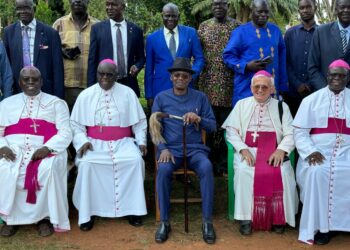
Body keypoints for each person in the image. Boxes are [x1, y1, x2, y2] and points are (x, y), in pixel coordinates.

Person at [70, 59, 147, 231]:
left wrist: (141, 141)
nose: (104, 77)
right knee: (87, 164)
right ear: (97, 73)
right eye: (101, 74)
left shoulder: (128, 93)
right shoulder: (86, 95)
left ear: (117, 76)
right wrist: (82, 141)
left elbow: (140, 123)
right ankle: (88, 212)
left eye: (109, 74)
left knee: (134, 161)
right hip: (94, 144)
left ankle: (133, 210)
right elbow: (76, 125)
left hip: (124, 142)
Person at [222, 70, 298, 235]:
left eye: (265, 87)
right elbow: (231, 131)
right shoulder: (242, 104)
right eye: (257, 86)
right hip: (248, 150)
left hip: (273, 152)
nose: (260, 90)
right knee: (243, 171)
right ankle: (246, 217)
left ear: (272, 89)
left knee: (283, 172)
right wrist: (242, 148)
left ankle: (279, 217)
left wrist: (281, 149)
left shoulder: (281, 106)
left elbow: (291, 133)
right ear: (251, 88)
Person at [0, 66, 72, 237]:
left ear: (41, 81)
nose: (30, 82)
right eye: (26, 79)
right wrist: (2, 146)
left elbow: (65, 132)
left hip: (44, 148)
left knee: (49, 168)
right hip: (13, 150)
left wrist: (47, 148)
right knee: (4, 168)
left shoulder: (57, 103)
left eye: (35, 79)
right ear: (20, 82)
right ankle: (10, 218)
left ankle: (45, 218)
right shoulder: (6, 104)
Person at [152, 57, 216, 244]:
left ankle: (207, 221)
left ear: (190, 78)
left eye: (185, 76)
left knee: (206, 167)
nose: (180, 78)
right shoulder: (161, 98)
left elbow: (212, 126)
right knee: (163, 170)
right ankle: (164, 221)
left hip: (195, 149)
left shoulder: (200, 97)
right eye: (177, 75)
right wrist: (162, 149)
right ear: (171, 77)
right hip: (170, 150)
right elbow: (154, 128)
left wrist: (199, 119)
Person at [293, 59, 350, 245]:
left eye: (341, 76)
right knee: (317, 172)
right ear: (327, 76)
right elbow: (300, 132)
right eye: (333, 75)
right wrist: (309, 151)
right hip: (319, 152)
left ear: (347, 78)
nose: (337, 79)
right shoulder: (311, 100)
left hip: (347, 152)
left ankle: (344, 224)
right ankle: (322, 228)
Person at [198, 0, 240, 173]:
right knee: (207, 128)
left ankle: (223, 165)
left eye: (222, 4)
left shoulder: (237, 27)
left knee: (226, 128)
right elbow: (198, 54)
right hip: (207, 86)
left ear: (227, 6)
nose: (218, 7)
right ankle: (207, 163)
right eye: (215, 4)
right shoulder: (203, 27)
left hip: (229, 87)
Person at [223, 0, 288, 106]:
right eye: (259, 11)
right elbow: (228, 56)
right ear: (251, 12)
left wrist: (283, 86)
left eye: (266, 12)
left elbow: (282, 59)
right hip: (246, 89)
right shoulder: (240, 32)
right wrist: (246, 66)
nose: (263, 15)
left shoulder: (275, 31)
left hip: (272, 89)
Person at [145, 3, 204, 107]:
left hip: (186, 87)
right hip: (160, 88)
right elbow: (149, 69)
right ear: (162, 16)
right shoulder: (152, 38)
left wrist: (191, 75)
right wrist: (149, 95)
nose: (170, 19)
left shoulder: (191, 33)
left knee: (185, 119)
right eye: (167, 16)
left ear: (179, 16)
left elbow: (199, 59)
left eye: (173, 16)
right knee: (161, 120)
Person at [3, 0, 64, 99]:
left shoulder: (50, 33)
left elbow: (58, 68)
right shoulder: (8, 32)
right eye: (19, 8)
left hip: (45, 91)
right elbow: (7, 66)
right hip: (17, 92)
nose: (22, 11)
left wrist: (59, 98)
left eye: (26, 8)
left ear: (34, 9)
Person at [87, 0, 145, 97]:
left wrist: (137, 66)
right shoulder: (97, 29)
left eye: (113, 5)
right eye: (107, 4)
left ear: (123, 7)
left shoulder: (136, 30)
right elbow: (92, 60)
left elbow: (141, 58)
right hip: (105, 84)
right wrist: (90, 87)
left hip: (128, 84)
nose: (109, 8)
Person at [53, 0, 99, 111]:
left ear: (88, 1)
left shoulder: (98, 25)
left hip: (91, 85)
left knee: (88, 121)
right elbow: (50, 51)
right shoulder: (59, 24)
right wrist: (62, 51)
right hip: (66, 85)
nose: (77, 1)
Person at [284, 0, 317, 116]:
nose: (305, 10)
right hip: (292, 93)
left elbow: (323, 63)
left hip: (315, 93)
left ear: (315, 8)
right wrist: (297, 84)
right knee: (291, 130)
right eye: (302, 8)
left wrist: (310, 84)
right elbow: (285, 62)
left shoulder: (322, 33)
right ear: (299, 10)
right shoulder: (290, 34)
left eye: (308, 7)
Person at [308, 0, 350, 91]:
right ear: (336, 9)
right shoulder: (321, 32)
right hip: (325, 94)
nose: (346, 10)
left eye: (349, 7)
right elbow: (312, 67)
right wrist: (327, 90)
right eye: (342, 7)